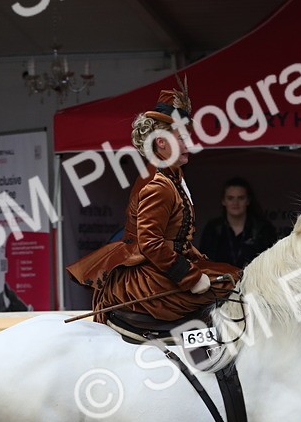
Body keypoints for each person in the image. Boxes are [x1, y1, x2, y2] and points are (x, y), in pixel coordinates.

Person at [67, 83, 240, 323]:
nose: (188, 144)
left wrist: (199, 261)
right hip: (148, 278)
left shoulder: (172, 176)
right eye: (181, 138)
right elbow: (151, 243)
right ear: (160, 142)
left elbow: (176, 239)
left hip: (160, 267)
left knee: (232, 277)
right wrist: (190, 276)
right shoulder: (158, 185)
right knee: (231, 289)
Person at [197, 177, 278, 268]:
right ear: (223, 201)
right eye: (230, 198)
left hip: (254, 281)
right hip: (219, 281)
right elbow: (203, 262)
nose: (235, 202)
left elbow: (272, 263)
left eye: (241, 198)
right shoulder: (212, 228)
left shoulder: (263, 229)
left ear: (248, 201)